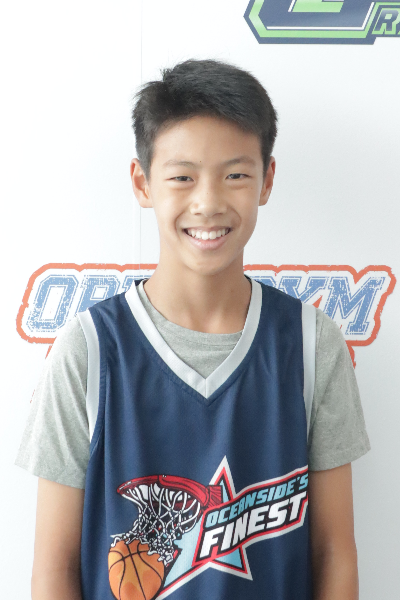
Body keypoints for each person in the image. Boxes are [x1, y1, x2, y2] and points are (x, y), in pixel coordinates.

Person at [15, 59, 370, 600]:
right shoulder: (89, 351)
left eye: (235, 175)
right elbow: (53, 567)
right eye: (182, 176)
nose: (208, 202)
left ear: (267, 180)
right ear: (143, 183)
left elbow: (334, 553)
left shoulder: (310, 343)